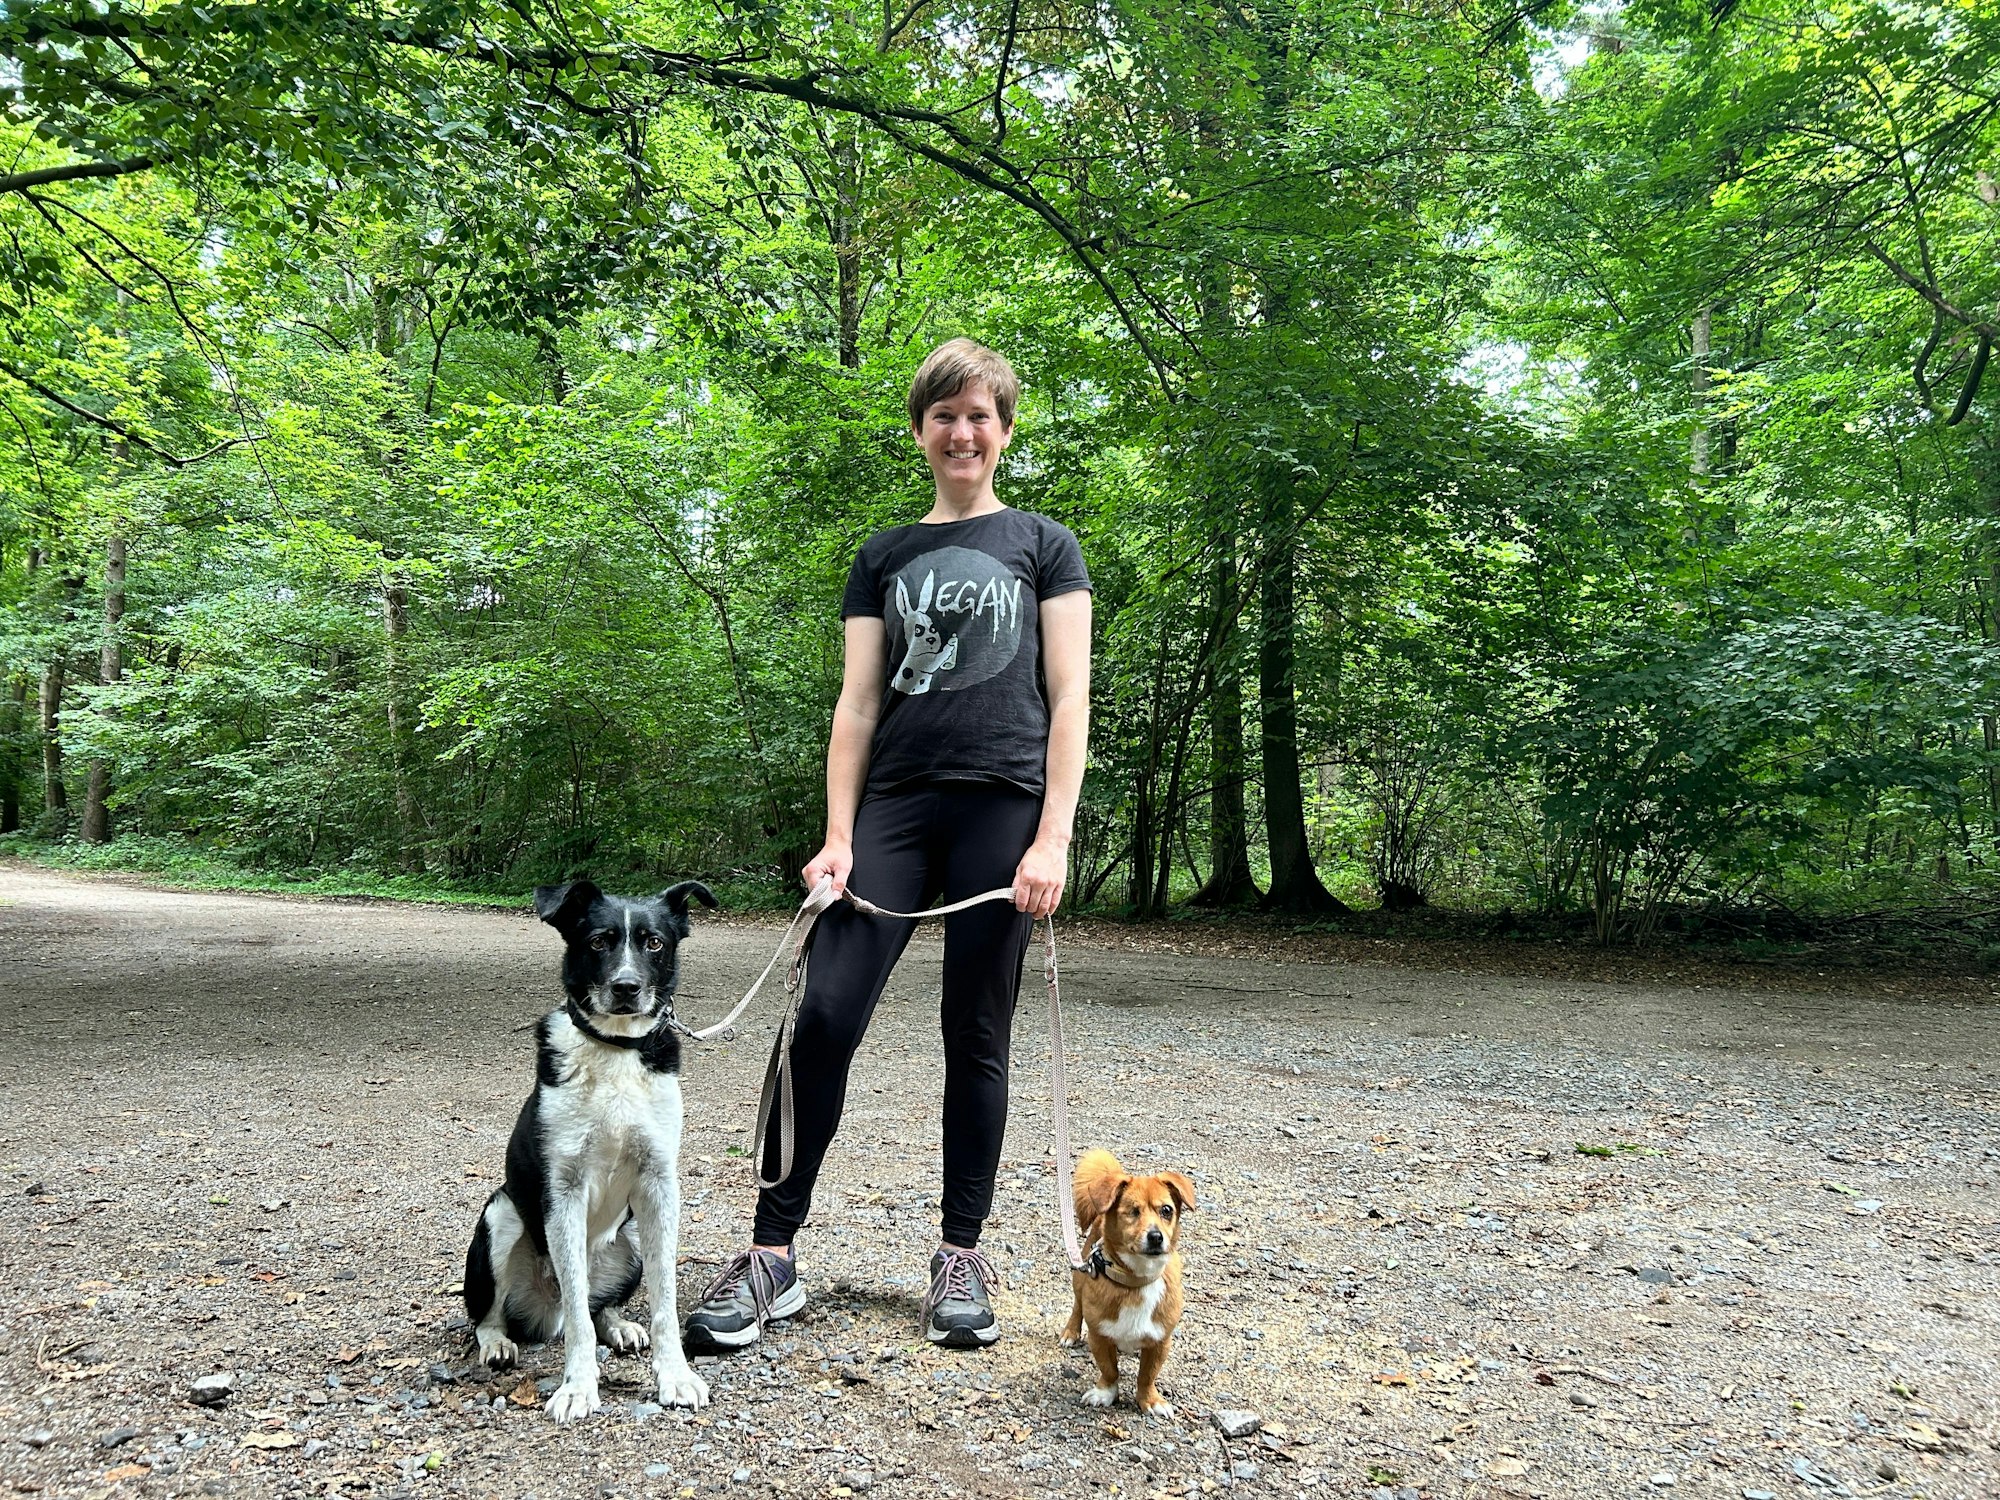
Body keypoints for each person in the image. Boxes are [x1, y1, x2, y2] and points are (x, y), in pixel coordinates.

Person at [684, 338, 1092, 1351]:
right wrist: (837, 836)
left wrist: (1051, 838)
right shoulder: (883, 555)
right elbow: (858, 704)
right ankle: (771, 1255)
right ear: (920, 431)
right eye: (944, 415)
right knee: (822, 1015)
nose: (963, 432)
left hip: (1004, 807)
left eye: (980, 415)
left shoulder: (1044, 544)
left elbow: (1070, 695)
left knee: (976, 1033)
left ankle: (960, 1253)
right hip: (895, 810)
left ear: (1004, 430)